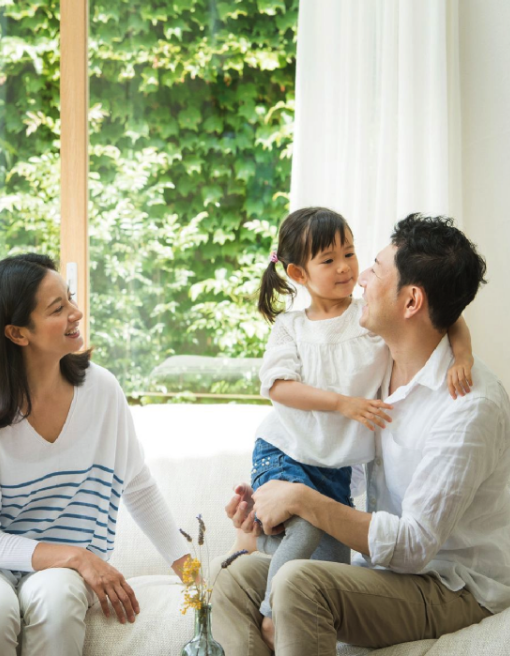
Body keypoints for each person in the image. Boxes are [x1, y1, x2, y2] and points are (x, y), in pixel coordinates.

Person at [213, 213, 510, 656]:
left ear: (410, 302)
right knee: (238, 578)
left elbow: (413, 547)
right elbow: (320, 439)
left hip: (451, 585)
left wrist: (301, 499)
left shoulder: (468, 407)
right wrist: (272, 506)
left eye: (372, 267)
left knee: (296, 582)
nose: (360, 278)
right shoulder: (377, 366)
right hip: (386, 572)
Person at [0, 253, 189, 656]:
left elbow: (137, 486)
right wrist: (77, 556)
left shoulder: (102, 391)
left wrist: (191, 572)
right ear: (17, 333)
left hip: (58, 565)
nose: (76, 313)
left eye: (70, 299)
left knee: (59, 597)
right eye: (58, 308)